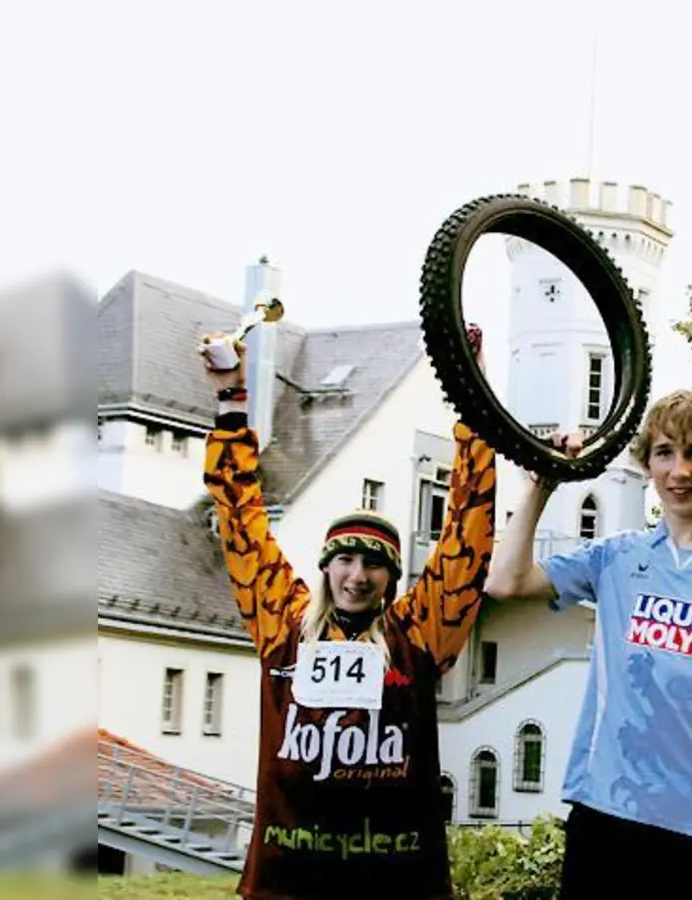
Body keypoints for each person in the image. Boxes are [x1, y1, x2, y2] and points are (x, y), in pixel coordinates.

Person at [485, 388, 692, 900]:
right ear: (646, 465)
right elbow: (506, 583)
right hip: (603, 811)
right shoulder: (619, 555)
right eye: (664, 453)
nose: (678, 471)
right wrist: (541, 486)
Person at [200, 328, 496, 900]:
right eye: (346, 561)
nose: (357, 576)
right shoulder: (283, 622)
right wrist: (231, 402)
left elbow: (468, 532)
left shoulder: (419, 632)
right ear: (326, 567)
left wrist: (470, 393)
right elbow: (240, 520)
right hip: (288, 881)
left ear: (391, 577)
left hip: (395, 880)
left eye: (374, 565)